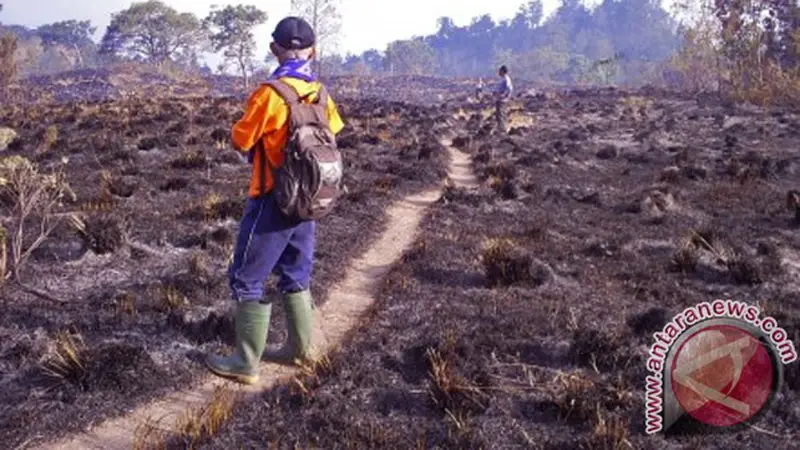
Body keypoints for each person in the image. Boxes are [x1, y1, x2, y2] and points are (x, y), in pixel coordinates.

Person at [205, 16, 345, 385]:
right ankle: (301, 349)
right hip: (310, 201)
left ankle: (245, 362)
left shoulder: (269, 94)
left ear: (274, 49)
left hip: (272, 200)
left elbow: (240, 139)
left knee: (246, 278)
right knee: (296, 274)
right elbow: (334, 134)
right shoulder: (321, 94)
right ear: (313, 51)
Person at [494, 65, 513, 133]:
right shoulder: (504, 79)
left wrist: (503, 95)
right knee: (500, 114)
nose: (498, 72)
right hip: (500, 99)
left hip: (502, 100)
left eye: (499, 70)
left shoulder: (506, 79)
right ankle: (502, 128)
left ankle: (503, 130)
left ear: (502, 71)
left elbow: (509, 89)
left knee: (501, 114)